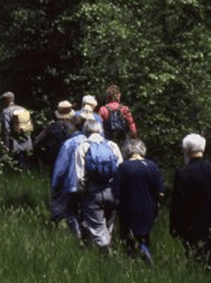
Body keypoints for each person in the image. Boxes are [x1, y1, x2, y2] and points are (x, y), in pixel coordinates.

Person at [170, 134, 211, 269]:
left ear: (186, 150)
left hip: (193, 227)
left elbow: (178, 204)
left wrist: (175, 227)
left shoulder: (183, 173)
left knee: (197, 262)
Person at [112, 138, 164, 266]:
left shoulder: (123, 167)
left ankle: (132, 262)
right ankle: (146, 255)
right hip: (148, 208)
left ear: (127, 151)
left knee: (128, 238)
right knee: (144, 236)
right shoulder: (152, 166)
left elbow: (115, 191)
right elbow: (161, 192)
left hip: (128, 207)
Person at [74, 118, 124, 251]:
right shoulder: (112, 145)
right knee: (109, 223)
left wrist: (82, 191)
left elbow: (80, 175)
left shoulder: (83, 147)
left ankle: (107, 253)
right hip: (113, 191)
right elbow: (120, 169)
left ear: (85, 131)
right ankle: (110, 247)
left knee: (96, 226)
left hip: (93, 191)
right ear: (100, 130)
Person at [49, 114, 87, 238]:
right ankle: (87, 237)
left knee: (71, 212)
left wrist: (54, 185)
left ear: (72, 125)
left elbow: (60, 167)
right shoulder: (89, 141)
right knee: (83, 212)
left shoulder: (68, 144)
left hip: (71, 184)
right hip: (87, 184)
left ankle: (78, 237)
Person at [33, 100, 75, 171]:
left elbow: (37, 142)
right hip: (71, 158)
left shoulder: (51, 126)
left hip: (55, 157)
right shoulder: (75, 127)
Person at [0, 91, 33, 169]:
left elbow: (7, 129)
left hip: (15, 142)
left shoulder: (6, 111)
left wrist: (6, 146)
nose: (2, 102)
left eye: (3, 100)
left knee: (16, 168)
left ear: (8, 99)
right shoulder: (22, 109)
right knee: (26, 166)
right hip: (27, 141)